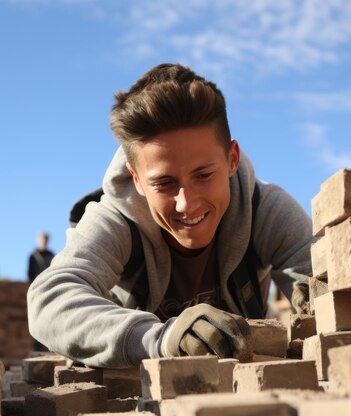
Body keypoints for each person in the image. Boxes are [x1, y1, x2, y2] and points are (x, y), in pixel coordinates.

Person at [27, 63, 312, 368]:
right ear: (137, 180)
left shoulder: (265, 210)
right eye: (164, 183)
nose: (185, 205)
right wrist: (160, 338)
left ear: (232, 159)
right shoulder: (116, 219)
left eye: (203, 175)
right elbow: (48, 301)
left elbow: (331, 290)